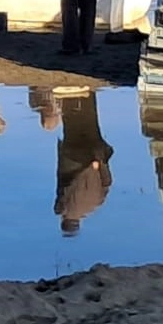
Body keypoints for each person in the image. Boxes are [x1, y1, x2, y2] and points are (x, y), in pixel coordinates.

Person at [53, 91, 113, 235]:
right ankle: (69, 96)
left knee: (90, 121)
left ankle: (88, 95)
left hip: (93, 157)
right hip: (72, 160)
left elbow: (107, 182)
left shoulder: (97, 203)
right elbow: (62, 193)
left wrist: (99, 163)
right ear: (64, 221)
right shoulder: (62, 209)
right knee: (71, 124)